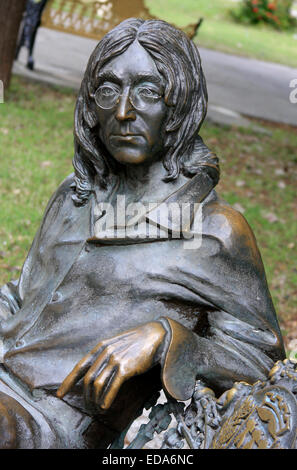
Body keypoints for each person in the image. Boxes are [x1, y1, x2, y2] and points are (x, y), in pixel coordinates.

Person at [0, 18, 285, 449]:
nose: (123, 112)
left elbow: (260, 360)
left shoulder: (213, 230)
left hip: (50, 422)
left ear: (179, 105)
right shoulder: (76, 194)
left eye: (148, 92)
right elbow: (21, 298)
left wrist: (167, 338)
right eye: (108, 90)